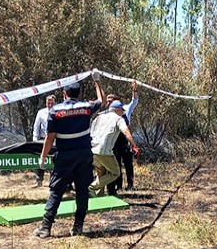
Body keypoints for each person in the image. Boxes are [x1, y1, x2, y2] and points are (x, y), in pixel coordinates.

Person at [33, 74, 105, 238]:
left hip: (64, 156)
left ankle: (45, 227)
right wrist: (97, 80)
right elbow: (102, 100)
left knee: (57, 190)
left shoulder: (55, 111)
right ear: (78, 94)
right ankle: (78, 227)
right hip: (83, 156)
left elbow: (50, 138)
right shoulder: (87, 107)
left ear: (64, 94)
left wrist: (42, 158)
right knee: (82, 191)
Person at [89, 100, 140, 197]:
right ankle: (91, 187)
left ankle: (99, 196)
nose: (123, 113)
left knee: (102, 173)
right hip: (104, 151)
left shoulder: (99, 117)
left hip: (93, 149)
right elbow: (126, 132)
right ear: (117, 109)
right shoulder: (118, 119)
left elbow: (91, 131)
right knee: (115, 172)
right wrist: (134, 145)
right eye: (122, 110)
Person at [106, 81, 139, 193]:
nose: (108, 103)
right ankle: (118, 186)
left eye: (110, 101)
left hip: (125, 141)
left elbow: (134, 101)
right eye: (107, 102)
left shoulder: (124, 109)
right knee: (117, 164)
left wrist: (134, 90)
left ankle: (130, 184)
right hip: (114, 143)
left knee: (128, 164)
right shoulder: (107, 113)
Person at [32, 94, 56, 187]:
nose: (49, 105)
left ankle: (52, 182)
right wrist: (35, 139)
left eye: (51, 103)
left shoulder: (58, 111)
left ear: (55, 102)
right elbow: (36, 126)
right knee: (41, 158)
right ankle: (39, 180)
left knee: (54, 160)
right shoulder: (41, 112)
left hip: (55, 140)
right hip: (43, 140)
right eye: (48, 103)